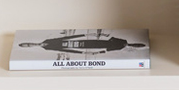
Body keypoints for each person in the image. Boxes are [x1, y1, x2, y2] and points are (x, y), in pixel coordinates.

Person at [19, 30, 147, 55]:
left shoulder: (47, 40)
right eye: (28, 46)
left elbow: (65, 40)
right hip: (84, 45)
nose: (30, 45)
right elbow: (63, 49)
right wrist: (80, 52)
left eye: (28, 43)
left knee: (104, 44)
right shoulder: (46, 48)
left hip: (85, 42)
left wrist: (85, 34)